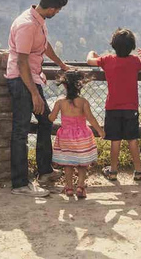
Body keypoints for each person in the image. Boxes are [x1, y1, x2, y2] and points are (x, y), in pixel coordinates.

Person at [5, 0, 73, 197]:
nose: (57, 14)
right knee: (20, 132)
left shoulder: (38, 21)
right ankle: (20, 184)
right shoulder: (27, 25)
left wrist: (61, 64)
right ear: (51, 7)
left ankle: (44, 172)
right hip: (22, 81)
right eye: (58, 10)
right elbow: (22, 62)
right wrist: (34, 94)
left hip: (33, 79)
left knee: (45, 121)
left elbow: (43, 46)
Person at [86, 28, 141, 182]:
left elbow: (90, 61)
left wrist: (92, 53)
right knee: (132, 140)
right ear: (132, 46)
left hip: (112, 108)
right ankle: (138, 171)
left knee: (115, 140)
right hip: (131, 108)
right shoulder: (134, 61)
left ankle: (113, 171)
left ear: (113, 45)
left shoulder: (107, 60)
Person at [50, 71, 105, 199]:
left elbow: (51, 118)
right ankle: (80, 186)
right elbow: (91, 118)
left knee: (68, 163)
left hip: (66, 137)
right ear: (80, 86)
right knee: (82, 163)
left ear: (64, 86)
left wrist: (48, 115)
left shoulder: (59, 102)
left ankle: (69, 187)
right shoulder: (83, 102)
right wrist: (100, 131)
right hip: (82, 136)